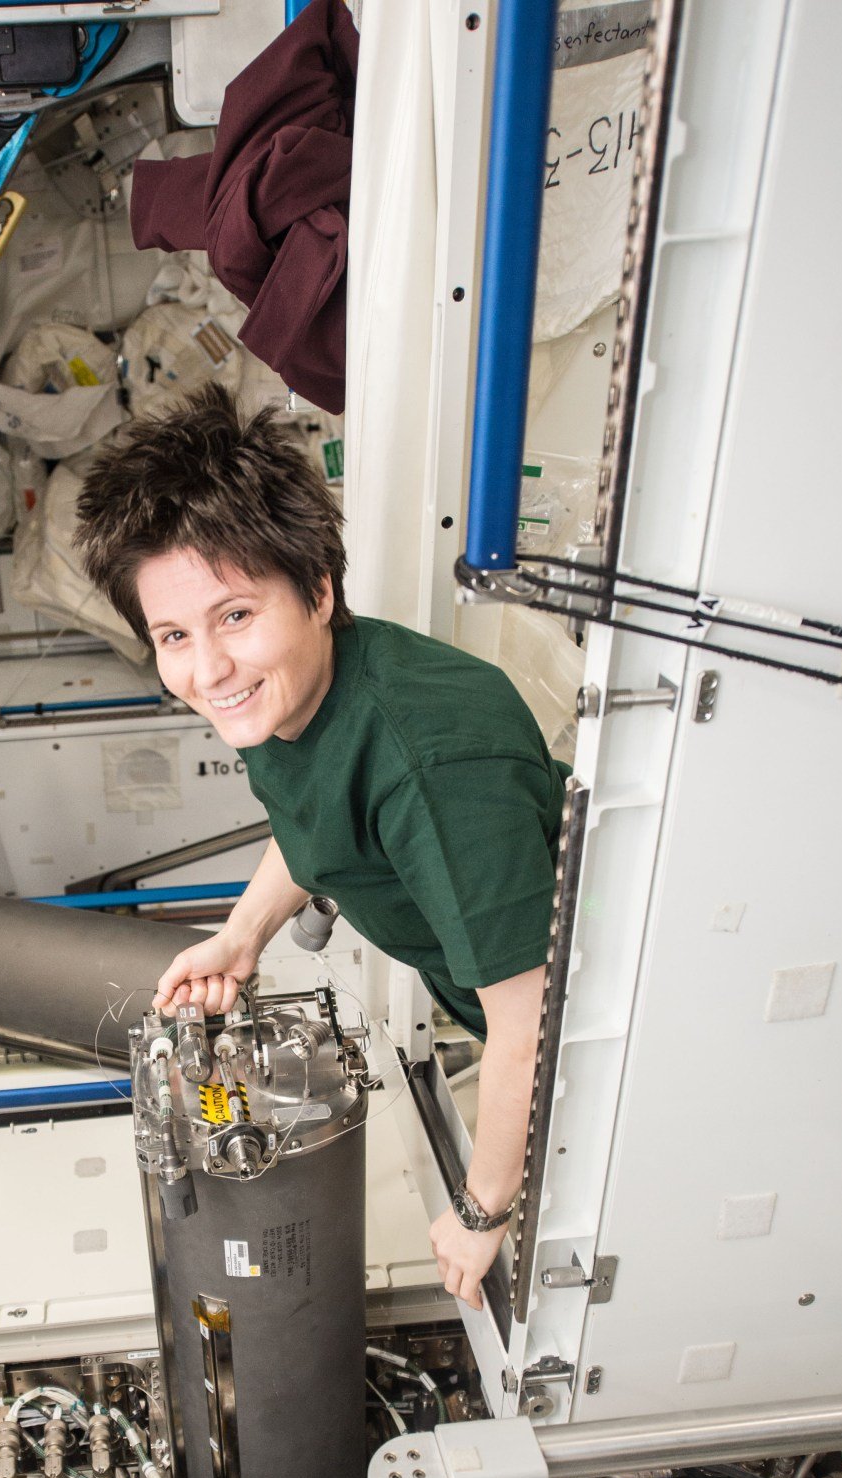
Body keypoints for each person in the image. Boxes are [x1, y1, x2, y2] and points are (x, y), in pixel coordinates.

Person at [75, 388, 570, 1311]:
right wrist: (241, 936)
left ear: (317, 588)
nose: (207, 671)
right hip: (506, 1019)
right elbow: (313, 827)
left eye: (233, 617)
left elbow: (532, 1029)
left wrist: (480, 1207)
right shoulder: (287, 700)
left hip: (578, 1055)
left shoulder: (431, 768)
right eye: (173, 636)